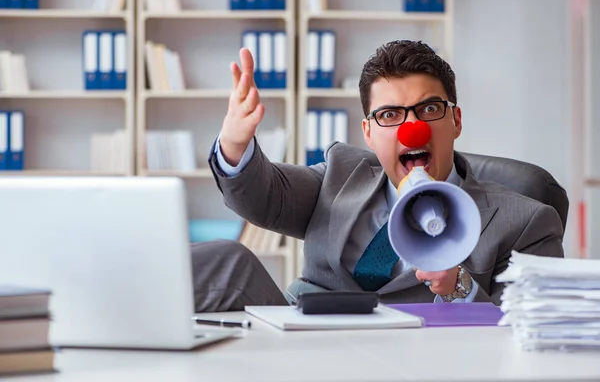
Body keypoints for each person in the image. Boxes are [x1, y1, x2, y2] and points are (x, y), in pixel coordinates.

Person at [192, 40, 564, 312]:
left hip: (413, 360)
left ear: (456, 120)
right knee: (228, 263)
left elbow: (525, 332)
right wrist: (235, 144)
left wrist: (457, 286)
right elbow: (264, 197)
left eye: (430, 108)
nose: (412, 129)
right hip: (304, 342)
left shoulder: (527, 221)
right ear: (368, 132)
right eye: (390, 115)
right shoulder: (342, 173)